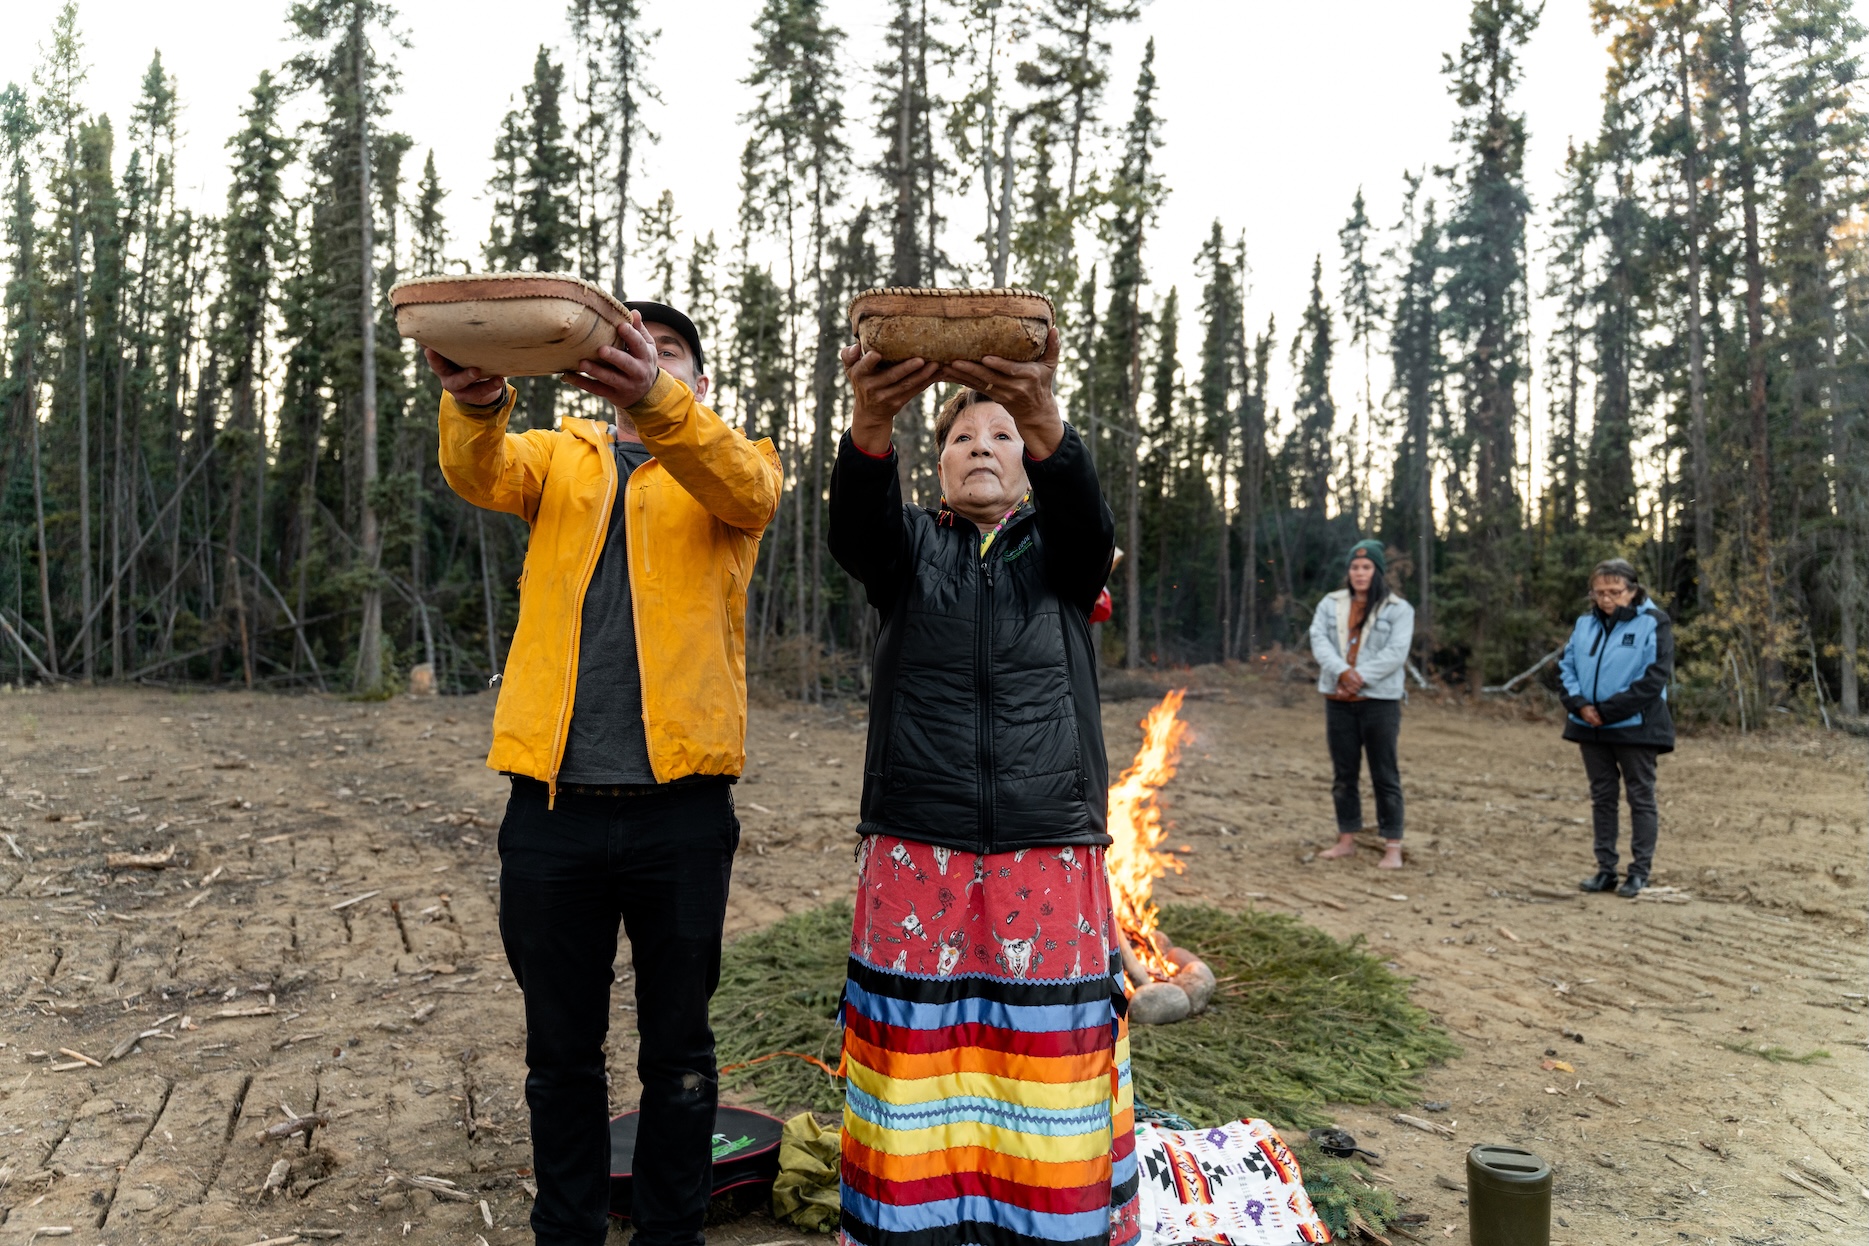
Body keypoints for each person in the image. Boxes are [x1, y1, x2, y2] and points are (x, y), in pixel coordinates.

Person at [425, 302, 782, 1246]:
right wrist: (477, 396)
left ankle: (672, 1233)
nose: (641, 361)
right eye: (624, 346)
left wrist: (660, 402)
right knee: (560, 1057)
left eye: (665, 353)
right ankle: (567, 1232)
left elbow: (748, 493)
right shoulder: (560, 458)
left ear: (699, 384)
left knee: (679, 1054)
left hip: (683, 812)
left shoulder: (732, 464)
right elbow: (479, 468)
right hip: (552, 813)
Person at [830, 332, 1140, 1246]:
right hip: (915, 838)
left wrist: (1040, 405)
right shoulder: (908, 549)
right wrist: (870, 418)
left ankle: (1046, 1225)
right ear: (934, 469)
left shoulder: (1064, 553)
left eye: (1001, 436)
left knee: (1039, 1056)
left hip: (1045, 840)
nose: (979, 446)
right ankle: (913, 1224)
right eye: (960, 436)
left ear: (1029, 461)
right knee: (917, 1053)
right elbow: (854, 528)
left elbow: (1089, 519)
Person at [1558, 558, 1675, 898]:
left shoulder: (1654, 623)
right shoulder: (1584, 624)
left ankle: (1639, 872)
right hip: (1589, 726)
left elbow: (1653, 677)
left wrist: (1606, 712)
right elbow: (1566, 666)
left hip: (1635, 727)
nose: (1606, 599)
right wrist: (1580, 705)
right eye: (1599, 592)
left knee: (1641, 797)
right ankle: (1605, 869)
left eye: (1614, 592)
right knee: (1602, 798)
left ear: (1633, 591)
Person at [1309, 539, 1416, 870]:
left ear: (1377, 571)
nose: (1359, 573)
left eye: (1366, 567)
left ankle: (1393, 845)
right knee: (1344, 773)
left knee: (1384, 772)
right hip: (1338, 699)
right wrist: (1342, 671)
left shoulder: (1398, 609)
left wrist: (1359, 676)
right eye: (1354, 567)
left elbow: (1396, 653)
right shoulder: (1331, 604)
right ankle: (1346, 839)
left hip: (1379, 701)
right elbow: (1319, 639)